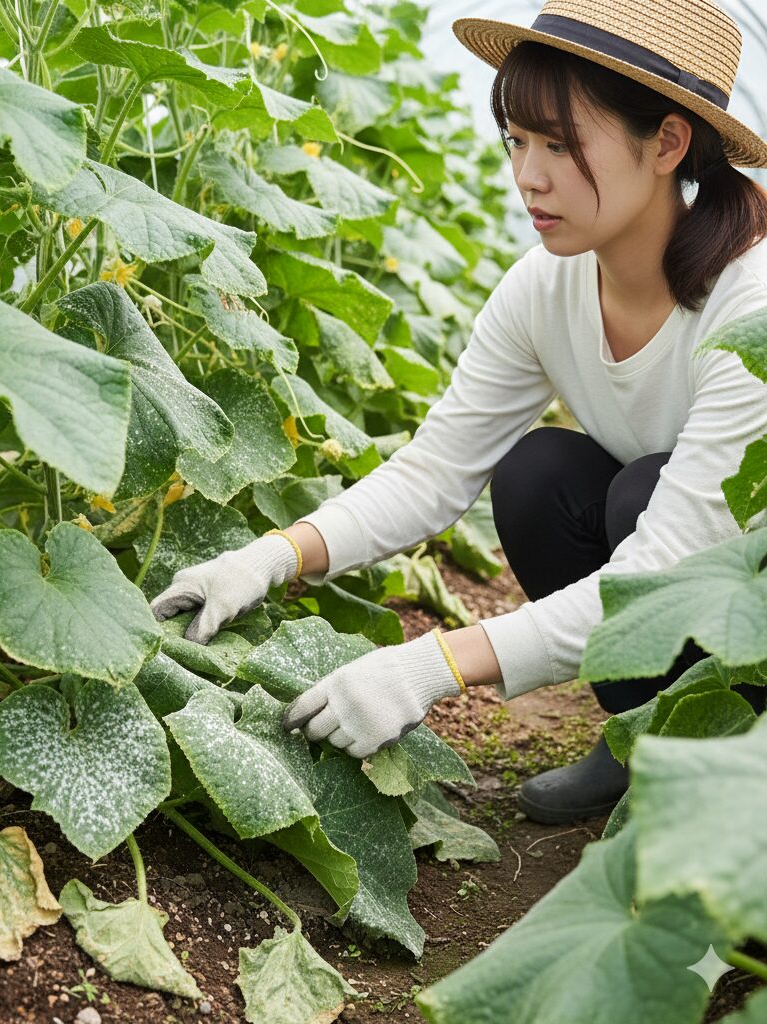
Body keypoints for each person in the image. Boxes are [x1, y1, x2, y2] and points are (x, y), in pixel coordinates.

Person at [150, 0, 767, 825]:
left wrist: (428, 667)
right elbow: (436, 471)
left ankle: (737, 747)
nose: (528, 176)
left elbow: (660, 566)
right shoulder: (545, 288)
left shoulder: (751, 303)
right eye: (517, 140)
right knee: (538, 474)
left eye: (561, 143)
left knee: (639, 496)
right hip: (691, 584)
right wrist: (270, 556)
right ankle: (645, 738)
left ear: (666, 142)